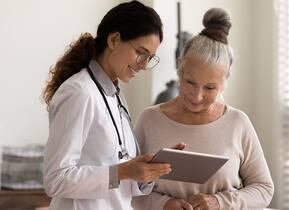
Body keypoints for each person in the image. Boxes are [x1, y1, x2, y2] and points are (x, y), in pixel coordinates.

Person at [132, 7, 274, 210]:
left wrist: (220, 202)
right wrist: (164, 204)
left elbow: (263, 189)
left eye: (209, 87)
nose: (196, 96)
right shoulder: (149, 120)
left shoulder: (237, 122)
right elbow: (129, 187)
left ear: (224, 83)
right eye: (189, 82)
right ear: (179, 71)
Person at [42, 1, 175, 210]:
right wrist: (123, 171)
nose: (144, 65)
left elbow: (118, 179)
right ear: (113, 40)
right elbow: (56, 179)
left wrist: (145, 173)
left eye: (150, 58)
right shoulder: (79, 92)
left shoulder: (115, 96)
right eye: (141, 52)